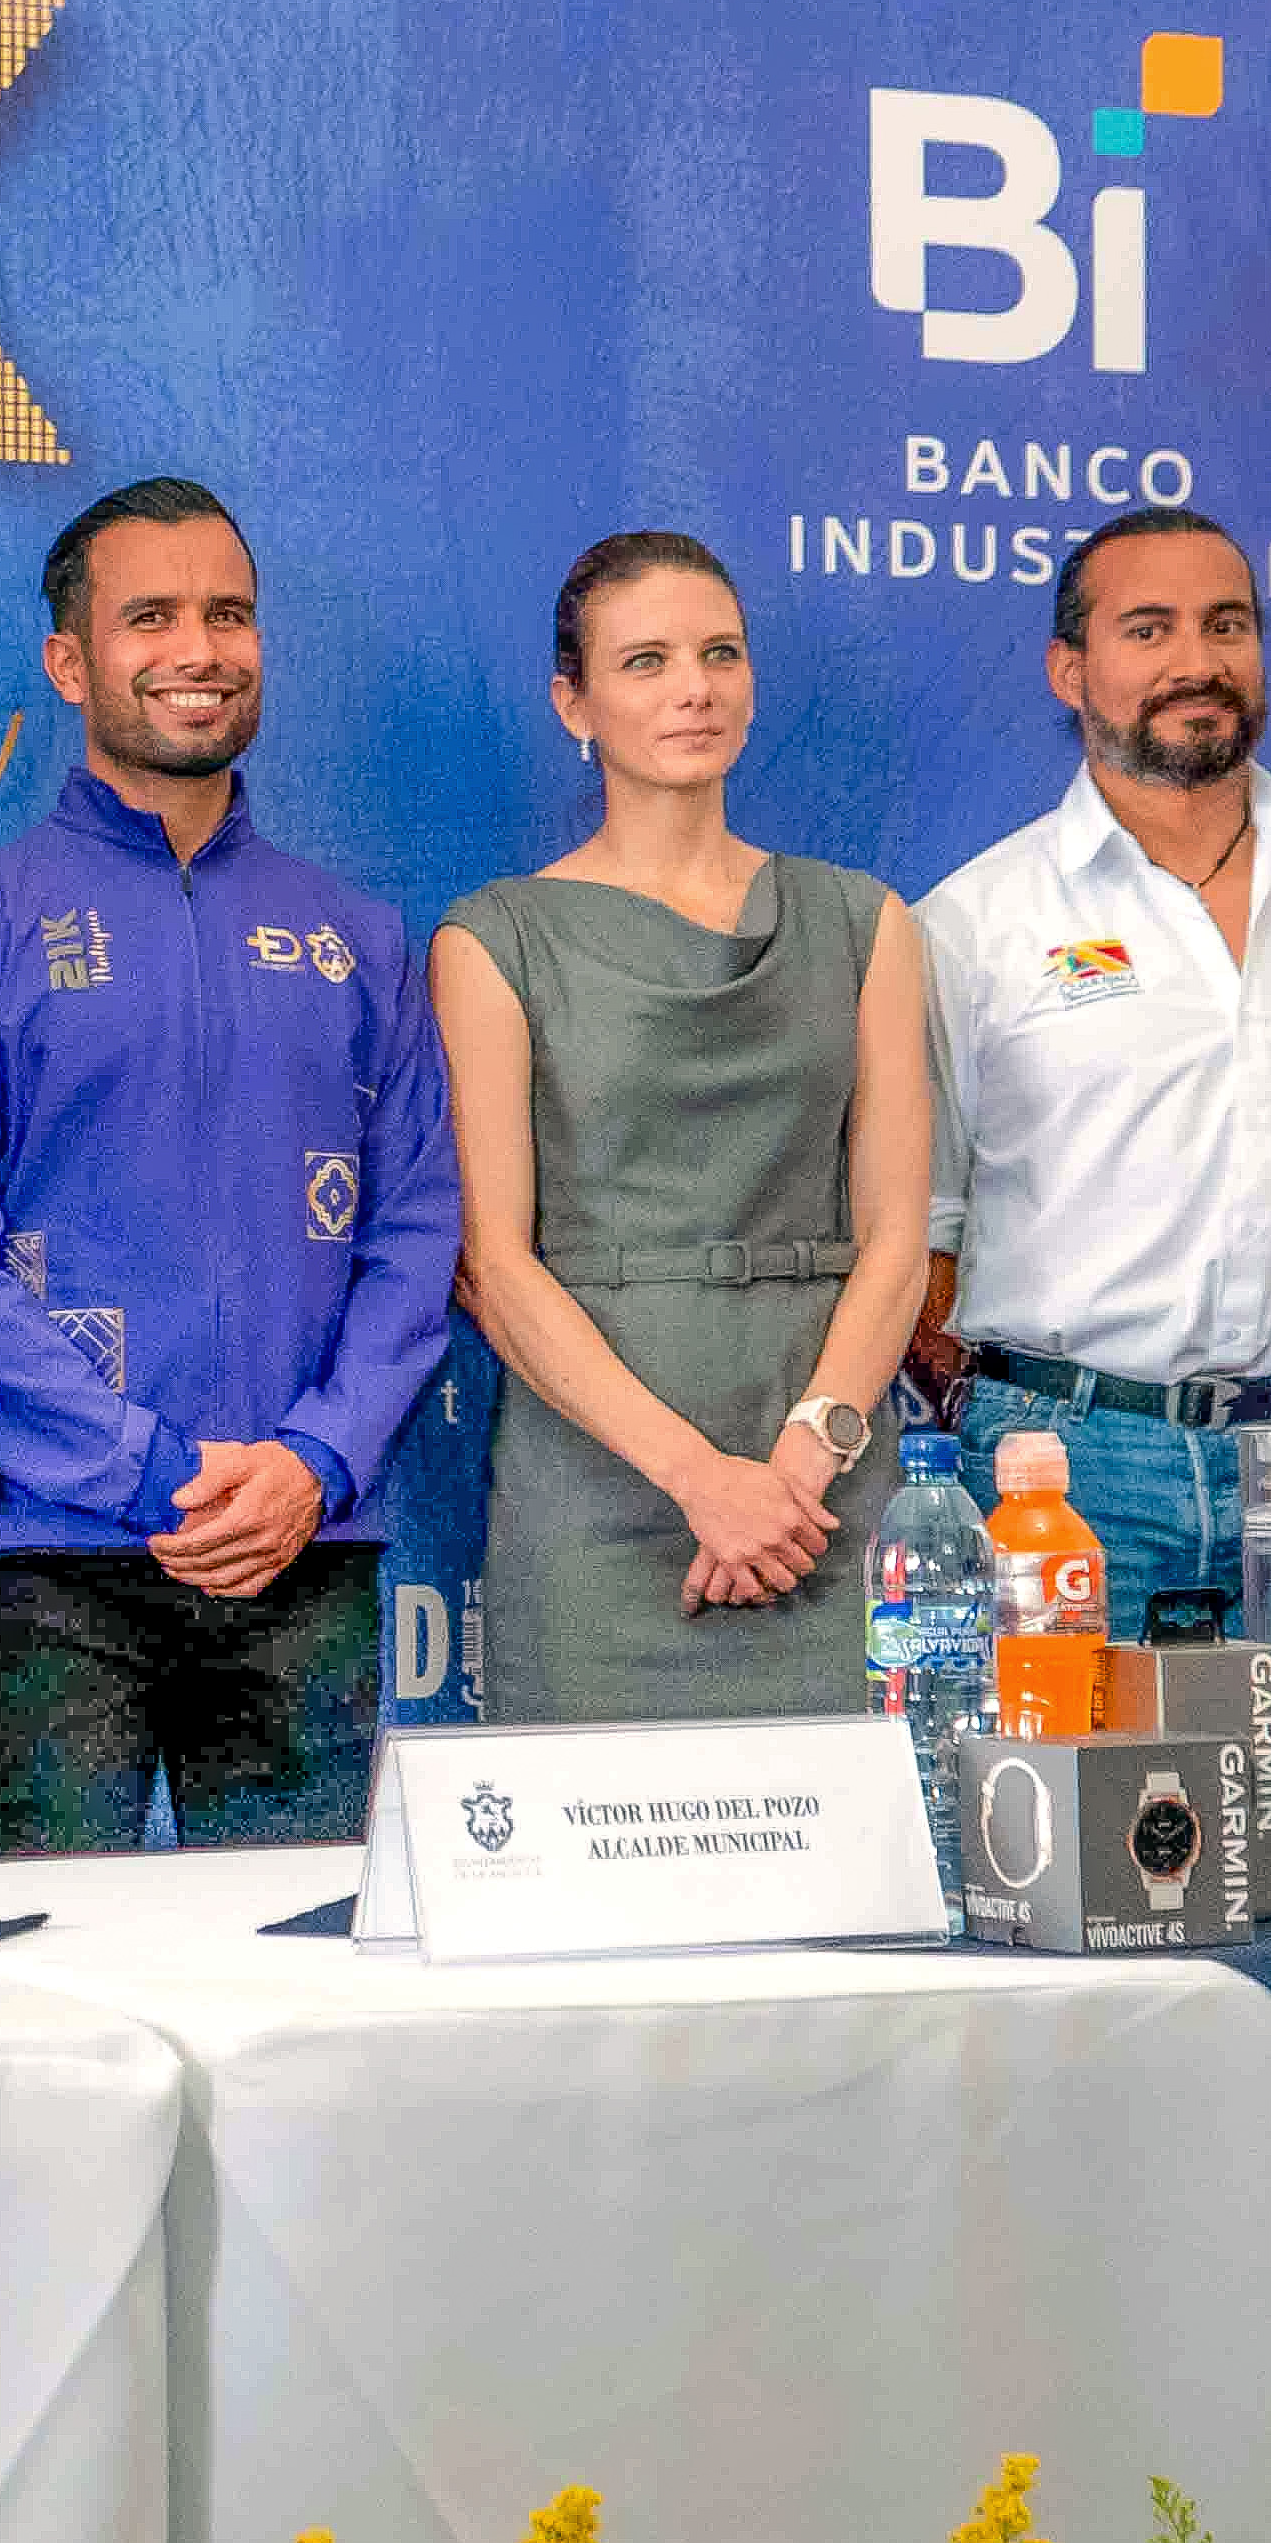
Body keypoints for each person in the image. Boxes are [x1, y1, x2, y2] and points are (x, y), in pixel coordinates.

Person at [0, 476, 455, 1848]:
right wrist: (148, 1470)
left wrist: (316, 1457)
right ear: (71, 662)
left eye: (229, 615)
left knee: (300, 1996)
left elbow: (421, 1232)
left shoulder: (356, 937)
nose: (199, 649)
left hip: (302, 1548)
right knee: (47, 1984)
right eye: (153, 617)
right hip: (49, 1555)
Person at [914, 507, 1271, 1634]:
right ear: (1071, 669)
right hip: (1067, 1470)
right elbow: (919, 1236)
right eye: (1148, 630)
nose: (1197, 663)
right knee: (1057, 1806)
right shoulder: (975, 924)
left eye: (1227, 626)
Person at [431, 530, 940, 1719]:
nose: (693, 687)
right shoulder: (492, 939)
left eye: (720, 653)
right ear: (577, 702)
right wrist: (699, 1479)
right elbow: (494, 1267)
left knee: (856, 1884)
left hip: (822, 1490)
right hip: (601, 1487)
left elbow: (900, 1240)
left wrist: (800, 1468)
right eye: (647, 660)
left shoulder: (865, 923)